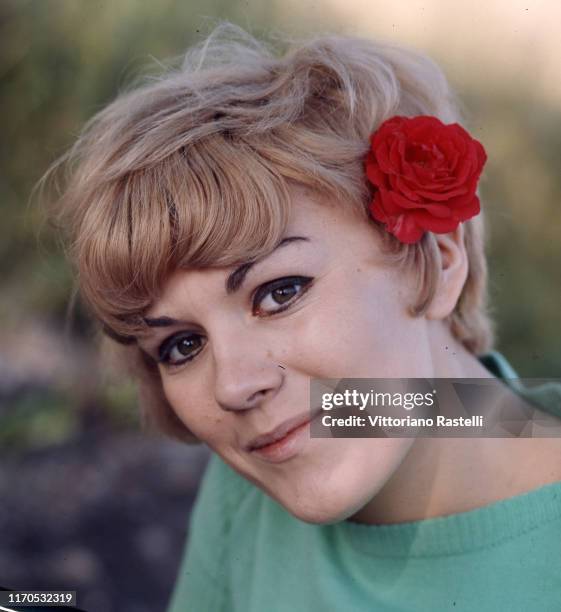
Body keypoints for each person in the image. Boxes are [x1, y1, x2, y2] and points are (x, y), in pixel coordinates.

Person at [44, 21, 561, 612]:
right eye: (182, 346)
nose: (235, 386)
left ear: (438, 263)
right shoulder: (261, 482)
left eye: (280, 292)